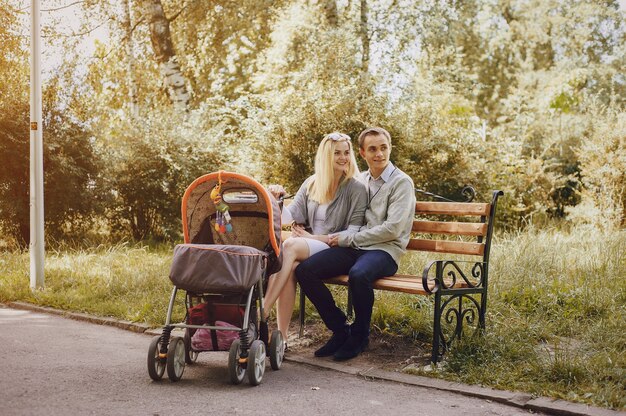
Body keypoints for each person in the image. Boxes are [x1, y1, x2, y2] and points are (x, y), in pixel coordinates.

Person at [295, 127, 416, 361]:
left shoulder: (401, 183)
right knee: (305, 270)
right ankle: (340, 330)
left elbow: (393, 229)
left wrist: (347, 238)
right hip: (356, 248)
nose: (379, 154)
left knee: (359, 274)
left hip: (385, 250)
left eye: (383, 148)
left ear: (389, 149)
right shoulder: (361, 181)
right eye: (372, 149)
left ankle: (360, 336)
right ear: (361, 153)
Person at [264, 132, 367, 346]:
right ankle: (281, 337)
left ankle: (261, 314)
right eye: (337, 153)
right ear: (325, 156)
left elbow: (355, 231)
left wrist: (317, 237)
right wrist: (276, 200)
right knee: (290, 269)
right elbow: (288, 217)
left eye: (346, 153)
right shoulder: (312, 183)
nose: (343, 158)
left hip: (337, 248)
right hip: (311, 245)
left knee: (289, 245)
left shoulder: (355, 187)